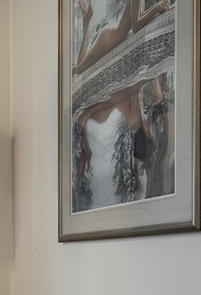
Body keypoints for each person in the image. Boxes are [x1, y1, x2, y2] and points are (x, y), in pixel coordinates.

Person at [73, 72, 171, 206]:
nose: (152, 130)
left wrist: (154, 83)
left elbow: (132, 89)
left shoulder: (135, 119)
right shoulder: (137, 122)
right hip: (102, 109)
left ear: (147, 135)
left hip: (105, 106)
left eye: (151, 135)